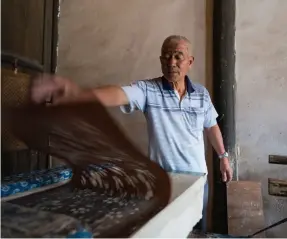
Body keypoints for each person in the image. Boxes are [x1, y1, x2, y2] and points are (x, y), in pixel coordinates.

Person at [31, 35, 233, 232]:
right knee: (165, 232)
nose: (171, 62)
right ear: (161, 60)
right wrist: (77, 94)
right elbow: (119, 94)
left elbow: (211, 125)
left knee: (197, 231)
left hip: (197, 180)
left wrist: (223, 156)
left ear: (190, 61)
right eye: (166, 56)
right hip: (165, 182)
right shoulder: (148, 90)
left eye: (178, 56)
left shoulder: (201, 94)